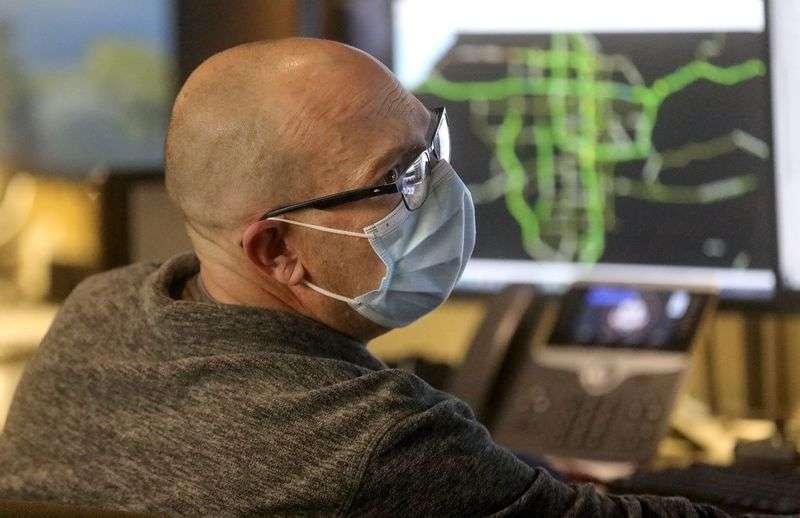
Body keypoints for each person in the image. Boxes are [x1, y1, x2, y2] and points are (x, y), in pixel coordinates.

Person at [0, 38, 728, 517]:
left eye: (428, 145)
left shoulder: (98, 312)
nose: (441, 186)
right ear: (278, 251)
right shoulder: (382, 444)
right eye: (396, 177)